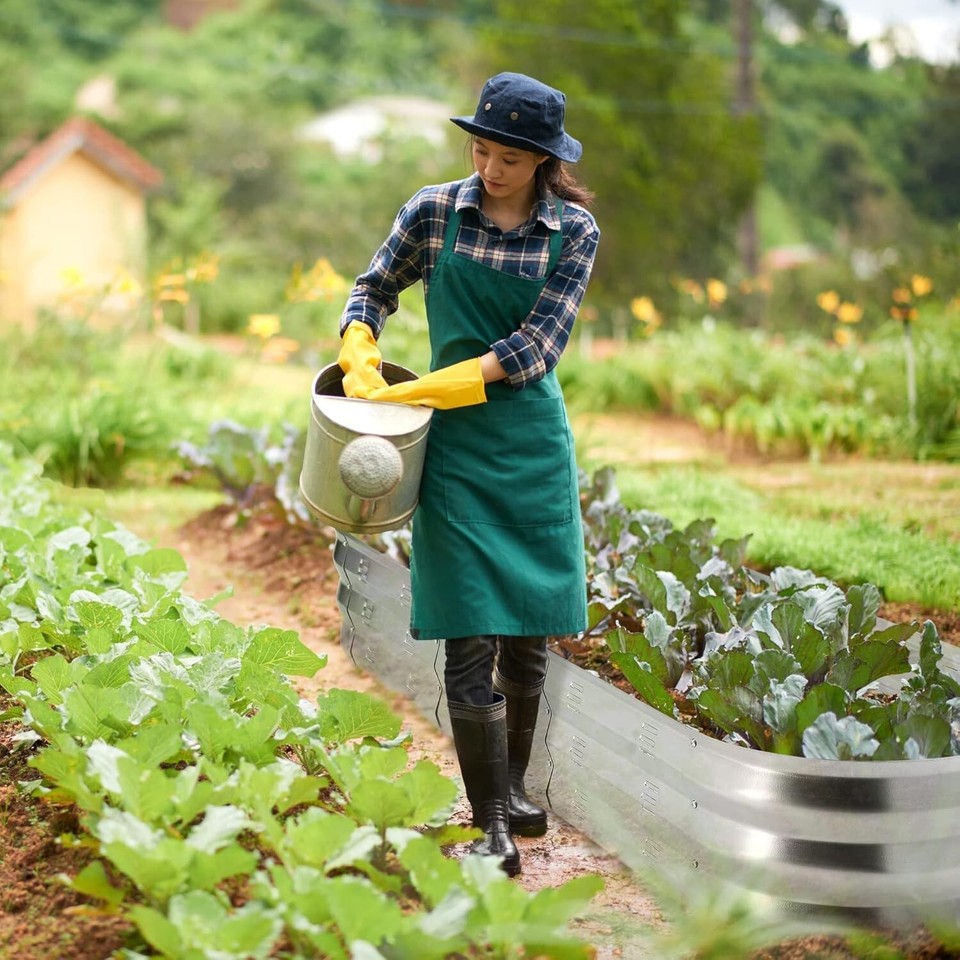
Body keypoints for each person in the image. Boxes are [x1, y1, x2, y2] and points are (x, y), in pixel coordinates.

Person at [335, 71, 599, 878]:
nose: (489, 169)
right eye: (480, 149)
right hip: (449, 450)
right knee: (468, 629)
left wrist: (423, 387)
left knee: (527, 631)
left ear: (543, 163)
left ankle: (513, 789)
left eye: (508, 160)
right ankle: (487, 821)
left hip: (525, 443)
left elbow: (532, 351)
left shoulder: (573, 232)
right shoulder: (434, 212)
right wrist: (359, 344)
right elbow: (373, 287)